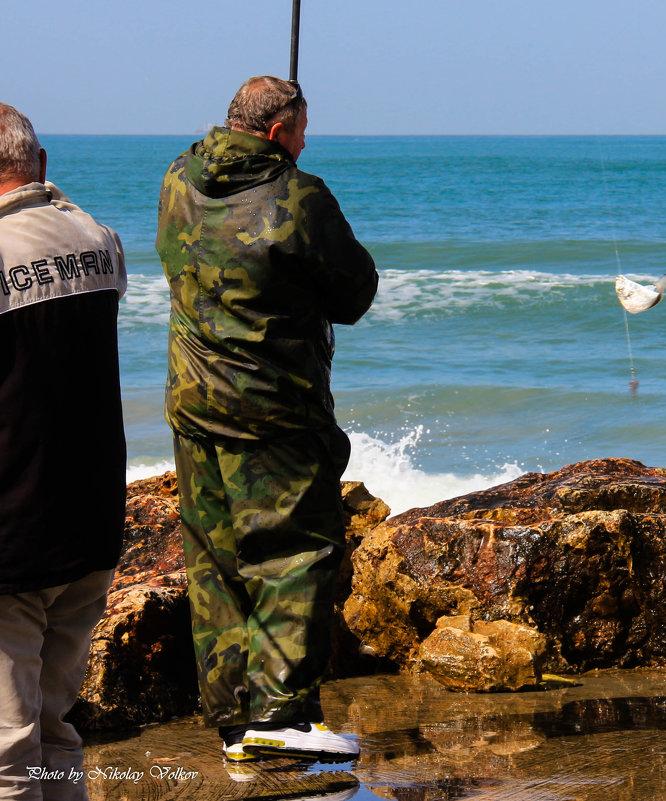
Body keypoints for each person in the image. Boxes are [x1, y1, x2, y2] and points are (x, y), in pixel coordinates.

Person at [156, 76, 378, 764]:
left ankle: (234, 718)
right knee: (293, 555)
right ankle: (281, 714)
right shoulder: (298, 196)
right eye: (302, 129)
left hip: (193, 405)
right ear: (280, 130)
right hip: (274, 411)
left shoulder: (176, 179)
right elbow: (354, 291)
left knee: (216, 561)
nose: (306, 141)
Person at [0, 103, 127, 800]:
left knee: (6, 748)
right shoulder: (98, 237)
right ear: (41, 166)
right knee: (54, 730)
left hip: (14, 537)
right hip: (90, 523)